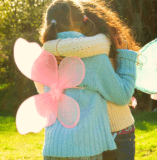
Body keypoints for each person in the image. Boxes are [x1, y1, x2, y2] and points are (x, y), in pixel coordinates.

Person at [35, 0, 138, 159]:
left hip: (54, 145)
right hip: (95, 142)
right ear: (82, 22)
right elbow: (122, 95)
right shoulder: (95, 56)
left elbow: (46, 95)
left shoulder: (42, 59)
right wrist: (126, 57)